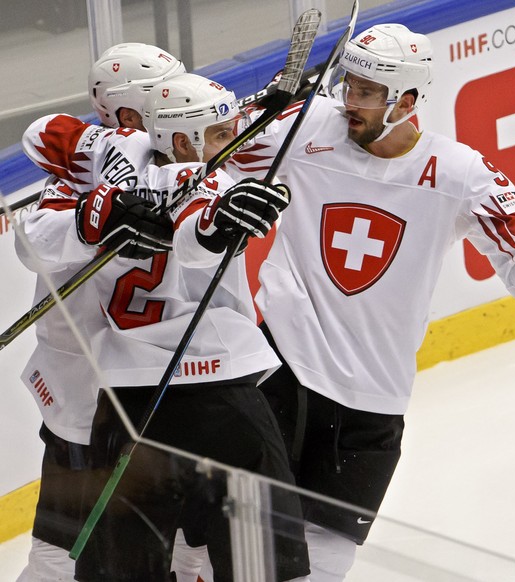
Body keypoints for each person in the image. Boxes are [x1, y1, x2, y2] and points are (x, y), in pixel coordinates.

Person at [226, 23, 515, 581]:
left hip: (372, 400)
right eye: (348, 85)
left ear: (409, 100)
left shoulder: (458, 171)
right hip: (282, 370)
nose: (351, 102)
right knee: (231, 548)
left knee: (320, 568)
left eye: (368, 92)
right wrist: (258, 108)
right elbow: (203, 141)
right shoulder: (306, 129)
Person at [22, 72, 311, 582]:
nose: (233, 144)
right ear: (177, 138)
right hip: (222, 398)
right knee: (258, 564)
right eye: (222, 135)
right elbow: (200, 223)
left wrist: (96, 218)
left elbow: (42, 154)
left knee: (124, 570)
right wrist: (215, 223)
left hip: (124, 402)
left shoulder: (100, 169)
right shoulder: (206, 177)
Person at [15, 42, 187, 582]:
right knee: (63, 552)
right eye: (167, 95)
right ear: (134, 112)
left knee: (171, 547)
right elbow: (34, 244)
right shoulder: (77, 180)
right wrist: (95, 220)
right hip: (90, 396)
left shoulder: (183, 164)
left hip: (157, 388)